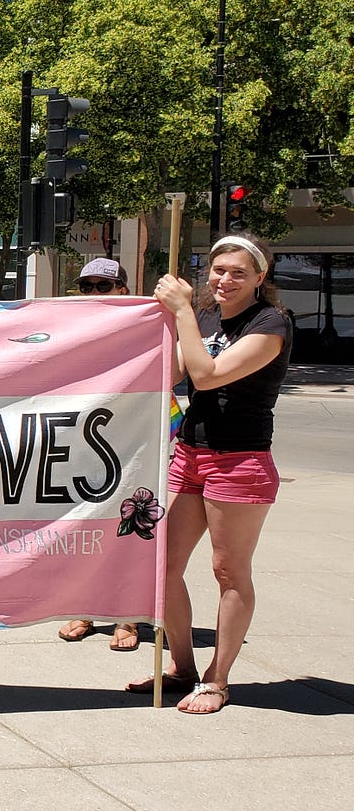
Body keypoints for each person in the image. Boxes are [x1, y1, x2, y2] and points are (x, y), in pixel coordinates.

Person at [127, 234, 291, 714]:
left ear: (260, 278)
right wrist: (164, 321)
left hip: (240, 460)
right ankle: (183, 668)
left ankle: (218, 680)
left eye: (239, 272)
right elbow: (175, 371)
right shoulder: (206, 319)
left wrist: (181, 312)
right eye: (218, 270)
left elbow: (207, 375)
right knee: (163, 565)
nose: (225, 280)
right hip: (191, 453)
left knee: (228, 571)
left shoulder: (271, 322)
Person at [57, 257, 141, 652]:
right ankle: (85, 609)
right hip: (84, 438)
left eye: (102, 286)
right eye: (86, 286)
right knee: (85, 524)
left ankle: (128, 617)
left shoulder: (142, 323)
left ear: (122, 289)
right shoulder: (73, 325)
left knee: (131, 528)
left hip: (133, 435)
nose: (93, 293)